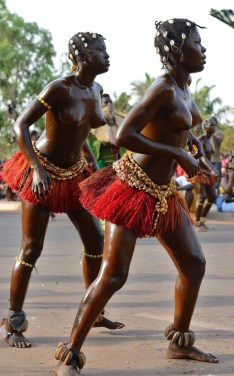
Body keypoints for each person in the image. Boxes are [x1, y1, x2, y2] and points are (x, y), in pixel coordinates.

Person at [54, 18, 218, 375]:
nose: (204, 50)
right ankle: (71, 353)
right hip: (131, 187)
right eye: (197, 43)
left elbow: (187, 136)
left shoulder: (185, 88)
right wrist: (178, 156)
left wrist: (200, 159)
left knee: (194, 264)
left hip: (163, 192)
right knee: (113, 275)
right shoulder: (162, 88)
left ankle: (180, 342)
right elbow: (124, 135)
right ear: (177, 49)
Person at [0, 31, 124, 349]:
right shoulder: (60, 88)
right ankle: (13, 323)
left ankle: (94, 312)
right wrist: (35, 167)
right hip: (41, 172)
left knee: (96, 241)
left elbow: (83, 134)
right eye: (100, 49)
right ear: (82, 56)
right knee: (31, 249)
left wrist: (96, 171)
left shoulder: (97, 89)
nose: (107, 55)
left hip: (73, 174)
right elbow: (21, 126)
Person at [189, 117, 220, 231]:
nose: (213, 127)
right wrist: (212, 169)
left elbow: (209, 157)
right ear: (205, 127)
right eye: (211, 125)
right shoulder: (200, 139)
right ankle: (197, 223)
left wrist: (211, 170)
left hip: (207, 172)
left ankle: (202, 221)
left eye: (214, 125)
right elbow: (202, 157)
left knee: (212, 196)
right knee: (201, 197)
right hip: (199, 172)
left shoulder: (209, 140)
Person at [88, 93, 126, 168]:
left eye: (110, 102)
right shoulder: (93, 123)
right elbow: (89, 143)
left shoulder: (121, 120)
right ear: (100, 105)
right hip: (102, 162)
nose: (109, 105)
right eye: (106, 102)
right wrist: (100, 143)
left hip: (120, 161)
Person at [210, 117, 224, 194]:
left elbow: (219, 141)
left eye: (212, 123)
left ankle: (217, 199)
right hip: (206, 161)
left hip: (216, 161)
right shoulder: (205, 133)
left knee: (216, 181)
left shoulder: (220, 132)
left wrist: (212, 132)